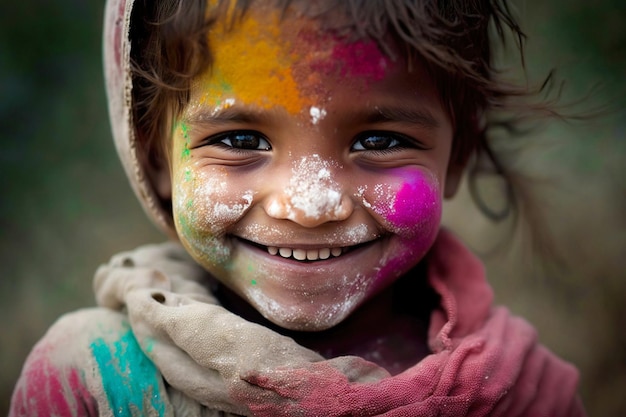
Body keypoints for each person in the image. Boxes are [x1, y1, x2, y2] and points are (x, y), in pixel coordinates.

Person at [10, 0, 587, 415]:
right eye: (240, 141)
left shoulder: (526, 392)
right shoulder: (92, 379)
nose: (311, 205)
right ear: (153, 156)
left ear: (456, 154)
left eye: (379, 141)